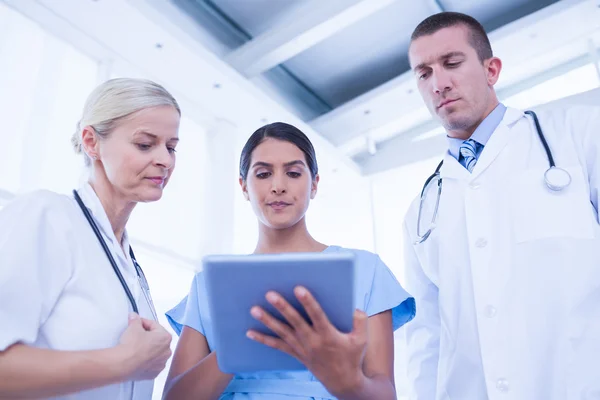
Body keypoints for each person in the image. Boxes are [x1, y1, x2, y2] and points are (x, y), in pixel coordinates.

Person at [402, 11, 600, 400]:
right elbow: (426, 339)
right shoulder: (422, 210)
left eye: (452, 63)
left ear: (491, 69)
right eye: (423, 74)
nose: (439, 83)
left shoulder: (577, 137)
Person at [162, 122, 415, 400]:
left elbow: (385, 394)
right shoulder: (209, 285)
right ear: (243, 186)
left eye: (293, 173)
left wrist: (346, 380)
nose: (278, 186)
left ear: (315, 184)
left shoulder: (365, 271)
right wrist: (240, 343)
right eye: (263, 174)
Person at [0, 78, 181, 399]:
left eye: (171, 147)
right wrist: (125, 361)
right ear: (91, 142)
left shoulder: (127, 262)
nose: (165, 160)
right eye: (144, 144)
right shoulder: (48, 217)